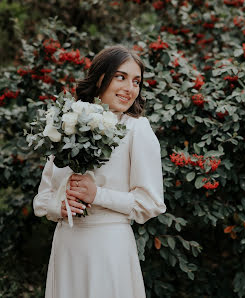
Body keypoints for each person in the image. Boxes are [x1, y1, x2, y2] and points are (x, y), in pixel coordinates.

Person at [33, 45, 166, 298]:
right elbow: (43, 197)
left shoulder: (137, 130)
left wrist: (98, 195)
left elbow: (151, 203)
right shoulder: (66, 124)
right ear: (100, 77)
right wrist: (57, 207)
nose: (130, 88)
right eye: (121, 77)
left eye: (136, 81)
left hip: (109, 247)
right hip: (67, 246)